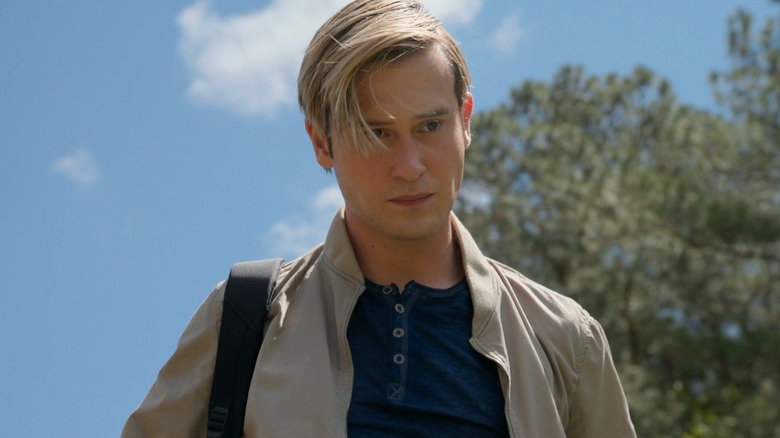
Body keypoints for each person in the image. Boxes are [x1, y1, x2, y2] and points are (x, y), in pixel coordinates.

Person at [122, 0, 637, 436]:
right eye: (376, 134)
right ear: (322, 143)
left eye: (431, 126)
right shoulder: (241, 318)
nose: (409, 166)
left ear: (465, 122)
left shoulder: (569, 340)